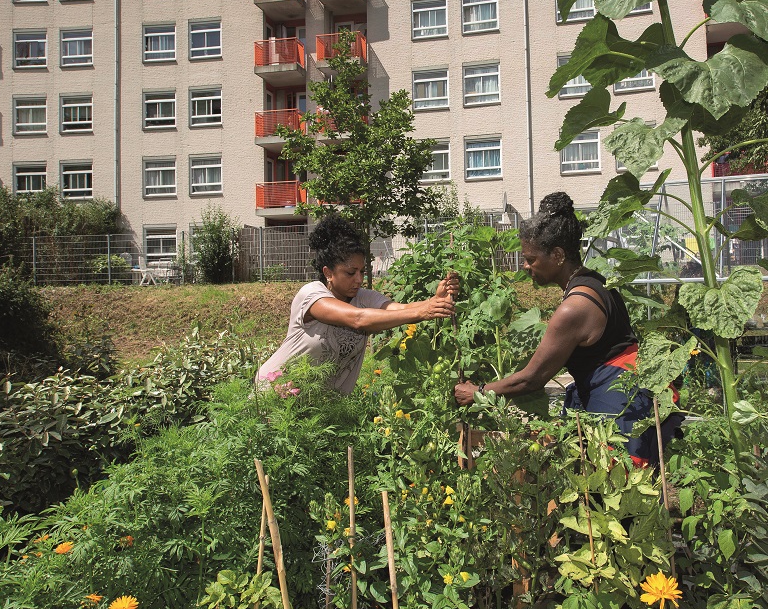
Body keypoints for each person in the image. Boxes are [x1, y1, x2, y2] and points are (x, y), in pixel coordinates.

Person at [454, 192, 675, 466]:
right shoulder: (593, 281)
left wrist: (478, 390)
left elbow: (531, 379)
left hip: (617, 401)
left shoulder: (574, 307)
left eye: (531, 259)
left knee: (614, 492)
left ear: (558, 255)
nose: (525, 267)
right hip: (626, 388)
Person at [257, 214, 459, 394]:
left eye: (362, 271)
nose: (358, 279)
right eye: (350, 272)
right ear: (328, 273)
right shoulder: (311, 295)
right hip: (278, 391)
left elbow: (399, 309)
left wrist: (434, 301)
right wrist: (424, 311)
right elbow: (357, 319)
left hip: (320, 403)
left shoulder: (364, 298)